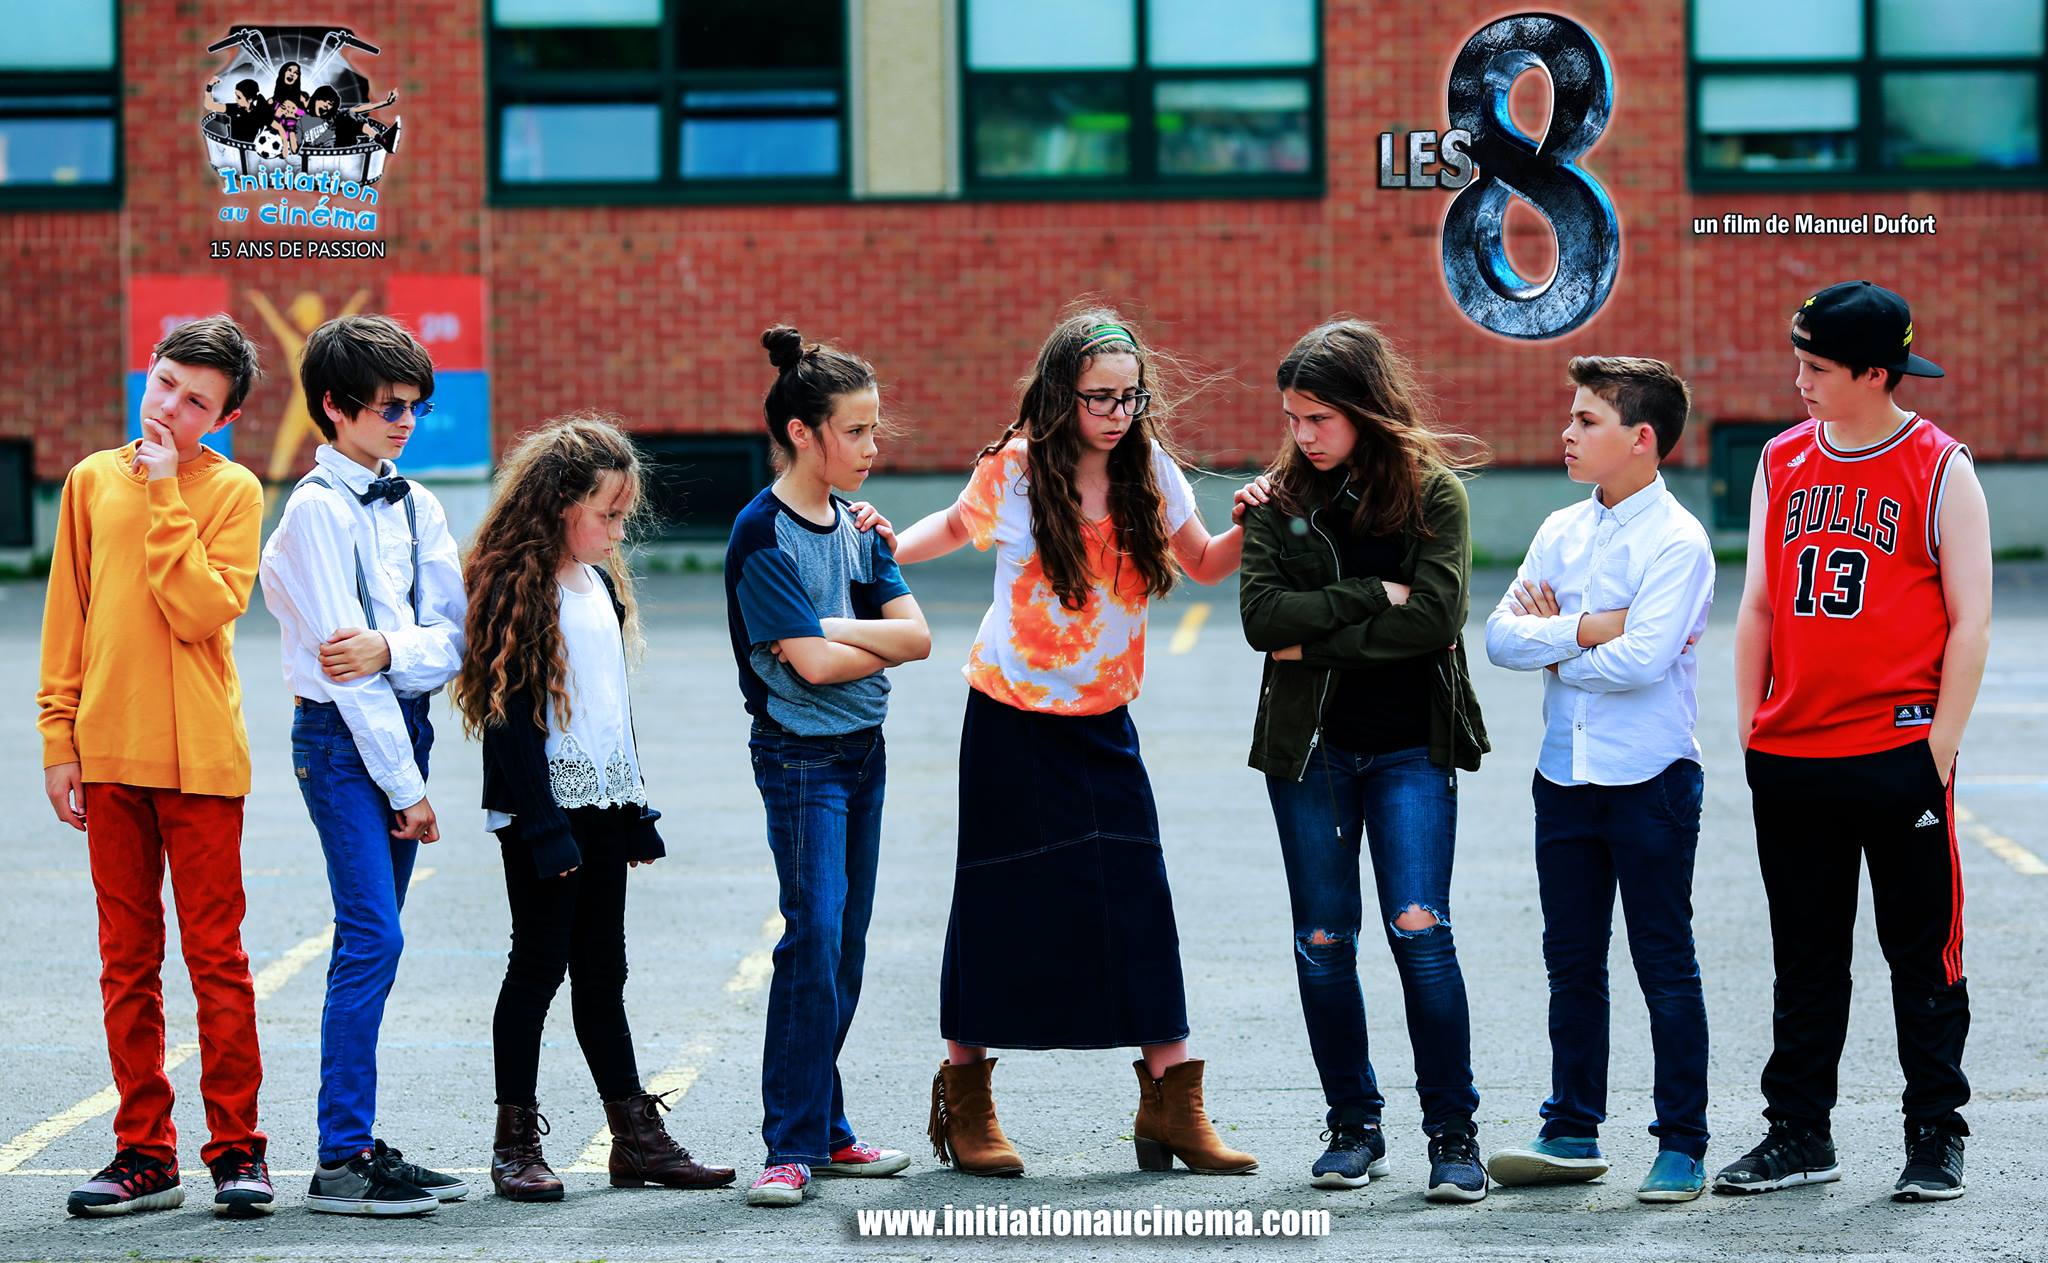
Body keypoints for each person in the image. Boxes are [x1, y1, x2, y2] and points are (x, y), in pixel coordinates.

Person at [891, 308, 1254, 1181]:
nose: (1119, 411)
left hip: (1103, 725)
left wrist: (1265, 516)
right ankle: (968, 1103)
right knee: (995, 907)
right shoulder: (1013, 471)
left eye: (1132, 395)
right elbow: (944, 528)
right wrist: (870, 549)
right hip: (1008, 720)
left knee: (1137, 904)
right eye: (1101, 396)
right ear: (1062, 394)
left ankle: (1173, 1105)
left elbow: (1204, 561)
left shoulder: (1152, 473)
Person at [1716, 281, 1990, 1203]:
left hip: (1898, 755)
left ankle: (1933, 1135)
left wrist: (1937, 750)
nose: (1798, 382)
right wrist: (1752, 722)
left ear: (1877, 373)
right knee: (1804, 958)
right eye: (1799, 362)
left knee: (1921, 958)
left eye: (1817, 368)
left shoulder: (1942, 466)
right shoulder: (1783, 458)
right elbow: (1755, 600)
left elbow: (1974, 621)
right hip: (1792, 755)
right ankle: (1799, 1133)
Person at [1235, 319, 1491, 1201]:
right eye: (1293, 418)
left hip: (1411, 746)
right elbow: (1263, 620)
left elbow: (1436, 621)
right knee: (1322, 939)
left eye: (1318, 418)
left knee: (1420, 928)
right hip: (1310, 751)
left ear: (1366, 411)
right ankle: (1354, 1125)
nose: (1302, 435)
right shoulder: (1276, 501)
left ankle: (1454, 1136)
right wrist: (1362, 595)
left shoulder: (1435, 493)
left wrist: (1320, 640)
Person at [454, 415, 736, 1202]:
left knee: (604, 971)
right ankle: (514, 1139)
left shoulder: (600, 585)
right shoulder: (515, 582)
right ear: (556, 505)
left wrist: (636, 803)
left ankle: (634, 1137)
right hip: (543, 809)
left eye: (622, 516)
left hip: (604, 799)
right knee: (537, 967)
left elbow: (610, 707)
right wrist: (541, 821)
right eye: (607, 514)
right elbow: (506, 717)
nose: (618, 530)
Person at [40, 316, 273, 1218]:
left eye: (198, 401)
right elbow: (69, 618)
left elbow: (202, 609)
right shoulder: (89, 481)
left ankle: (238, 1149)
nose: (173, 406)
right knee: (126, 962)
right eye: (167, 382)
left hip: (203, 762)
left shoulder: (236, 491)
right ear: (150, 369)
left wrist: (170, 489)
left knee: (219, 959)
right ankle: (144, 1150)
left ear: (227, 416)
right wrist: (59, 740)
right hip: (107, 756)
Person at [1482, 356, 1715, 1202]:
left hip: (1650, 779)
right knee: (1572, 962)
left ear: (1640, 438)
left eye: (1587, 420)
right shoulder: (1558, 530)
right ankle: (1572, 1127)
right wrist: (1593, 630)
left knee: (1664, 961)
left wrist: (1561, 643)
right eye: (1572, 417)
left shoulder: (1679, 541)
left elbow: (1646, 661)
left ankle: (1682, 1141)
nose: (1568, 433)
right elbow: (1500, 639)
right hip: (1564, 777)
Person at [258, 314, 469, 1216]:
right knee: (372, 936)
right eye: (389, 406)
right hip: (347, 745)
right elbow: (345, 680)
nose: (406, 421)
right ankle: (341, 1159)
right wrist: (408, 789)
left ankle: (357, 1142)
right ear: (335, 409)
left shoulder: (417, 504)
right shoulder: (313, 512)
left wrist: (391, 647)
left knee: (370, 942)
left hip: (400, 728)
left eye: (417, 405)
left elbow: (450, 643)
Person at [725, 326, 930, 1208]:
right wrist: (846, 638)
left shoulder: (860, 526)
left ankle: (830, 1127)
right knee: (812, 938)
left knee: (842, 946)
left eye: (876, 429)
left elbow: (917, 637)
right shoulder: (760, 533)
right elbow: (807, 669)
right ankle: (790, 1143)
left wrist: (831, 625)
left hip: (863, 753)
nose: (873, 448)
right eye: (856, 430)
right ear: (804, 432)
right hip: (801, 759)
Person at [202, 77, 273, 144]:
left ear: (250, 100)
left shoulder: (260, 113)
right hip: (233, 151)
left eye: (239, 97)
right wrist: (209, 87)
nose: (236, 99)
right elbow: (209, 105)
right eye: (236, 96)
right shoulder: (235, 108)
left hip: (250, 152)